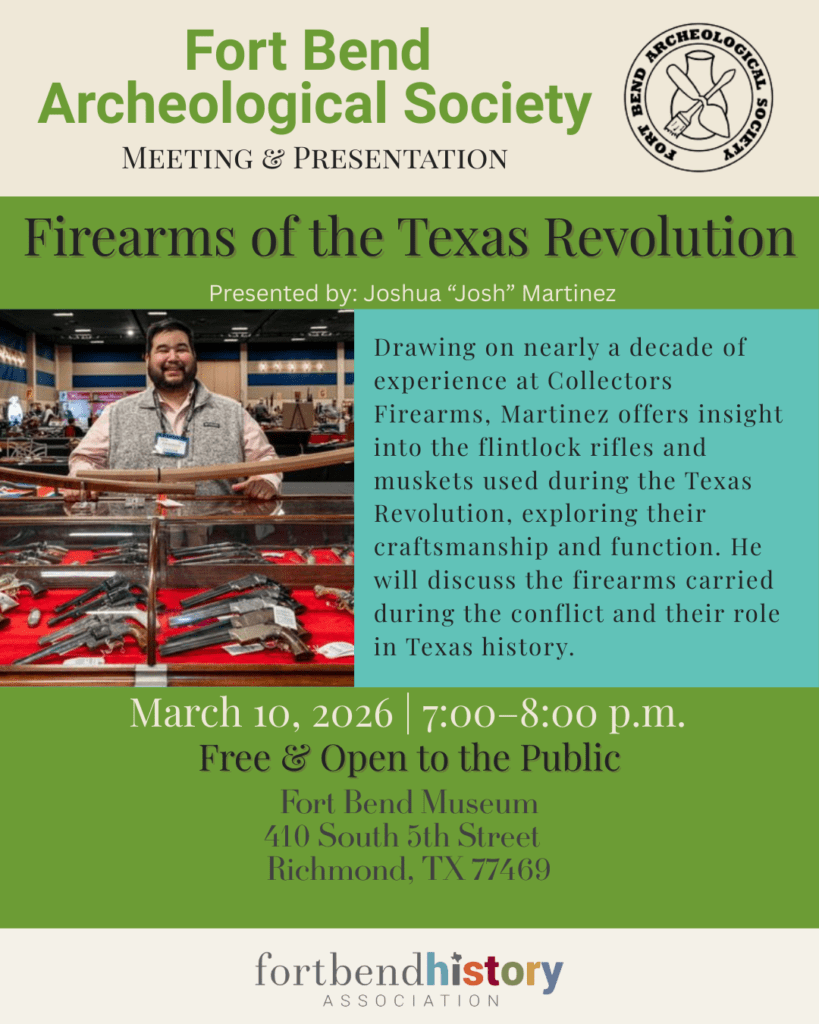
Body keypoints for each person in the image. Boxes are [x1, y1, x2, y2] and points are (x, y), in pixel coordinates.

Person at [68, 318, 282, 498]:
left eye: (181, 349)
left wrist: (265, 479)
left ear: (194, 356)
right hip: (135, 536)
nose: (173, 358)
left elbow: (266, 458)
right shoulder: (116, 413)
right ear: (147, 359)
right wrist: (83, 480)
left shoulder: (232, 412)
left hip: (217, 535)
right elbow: (84, 459)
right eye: (163, 350)